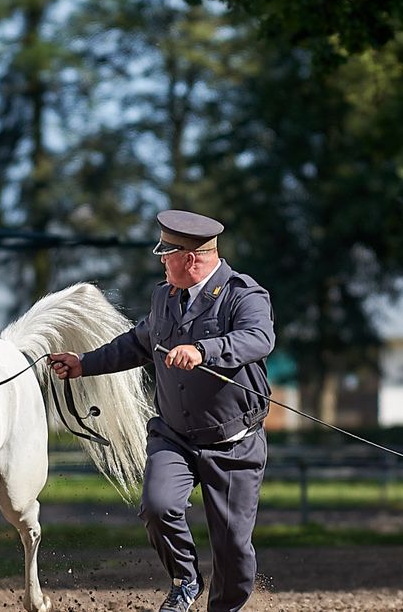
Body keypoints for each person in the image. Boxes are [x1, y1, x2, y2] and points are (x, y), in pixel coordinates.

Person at [48, 211, 275, 612]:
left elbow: (258, 338)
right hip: (175, 436)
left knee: (234, 551)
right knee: (158, 506)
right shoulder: (164, 297)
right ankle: (185, 579)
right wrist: (84, 362)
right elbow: (138, 343)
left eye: (166, 253)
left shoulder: (244, 294)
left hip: (233, 444)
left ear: (190, 258)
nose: (161, 260)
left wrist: (205, 349)